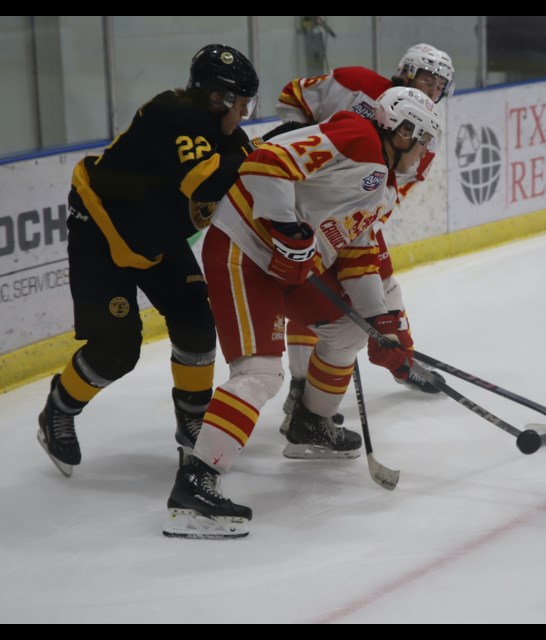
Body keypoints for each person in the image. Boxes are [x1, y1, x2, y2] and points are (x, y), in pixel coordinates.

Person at [162, 86, 443, 539]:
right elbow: (265, 162)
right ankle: (194, 485)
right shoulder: (358, 136)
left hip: (289, 269)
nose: (425, 152)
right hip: (243, 250)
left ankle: (310, 424)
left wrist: (381, 324)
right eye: (424, 139)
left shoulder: (382, 189)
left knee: (346, 333)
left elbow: (356, 255)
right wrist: (287, 227)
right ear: (403, 130)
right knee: (261, 373)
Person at [36, 44, 259, 478]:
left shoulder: (226, 135)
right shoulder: (171, 113)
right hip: (100, 231)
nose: (245, 114)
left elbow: (245, 181)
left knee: (196, 324)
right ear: (219, 98)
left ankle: (191, 419)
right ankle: (57, 411)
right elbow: (207, 178)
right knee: (116, 349)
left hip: (154, 239)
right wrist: (255, 159)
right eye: (243, 104)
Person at [271, 43, 455, 435]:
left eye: (441, 84)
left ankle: (401, 356)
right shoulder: (354, 83)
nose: (433, 88)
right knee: (315, 295)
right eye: (427, 77)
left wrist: (357, 223)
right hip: (304, 204)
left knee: (384, 287)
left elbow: (387, 194)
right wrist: (303, 146)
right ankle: (301, 386)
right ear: (405, 72)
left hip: (352, 215)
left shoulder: (424, 132)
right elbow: (293, 96)